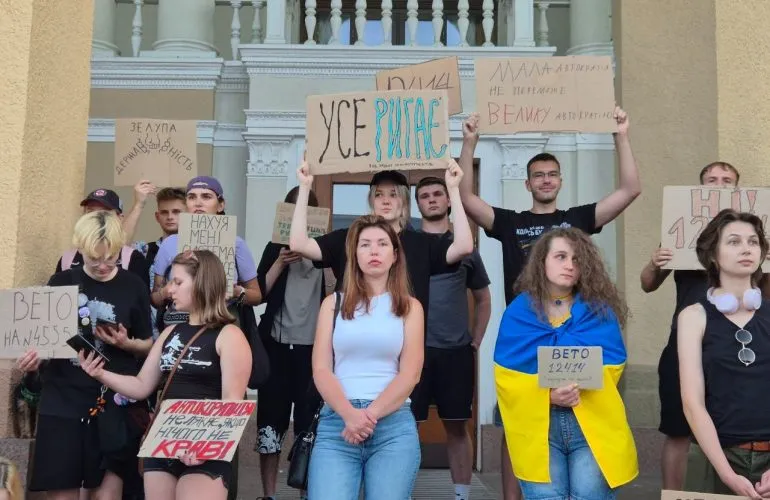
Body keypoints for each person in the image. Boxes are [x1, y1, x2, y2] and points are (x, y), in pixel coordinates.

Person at [458, 109, 641, 499]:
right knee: (519, 436)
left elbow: (629, 191)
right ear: (527, 183)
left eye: (552, 174)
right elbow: (467, 199)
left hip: (579, 357)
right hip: (526, 336)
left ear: (560, 181)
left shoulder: (576, 220)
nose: (545, 180)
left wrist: (621, 135)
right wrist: (469, 141)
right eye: (538, 175)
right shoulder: (509, 222)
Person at [78, 249, 253, 500]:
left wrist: (204, 447)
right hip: (163, 443)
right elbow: (141, 385)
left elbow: (232, 403)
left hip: (203, 448)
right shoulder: (170, 332)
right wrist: (100, 374)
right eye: (171, 281)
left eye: (178, 282)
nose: (169, 290)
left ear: (202, 283)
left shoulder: (230, 336)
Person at [18, 211, 153, 500]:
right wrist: (33, 361)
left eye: (111, 257)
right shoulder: (60, 281)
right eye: (94, 258)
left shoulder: (134, 285)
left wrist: (126, 343)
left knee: (106, 493)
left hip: (112, 400)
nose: (103, 266)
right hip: (63, 397)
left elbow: (148, 344)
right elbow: (44, 340)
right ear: (80, 248)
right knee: (61, 490)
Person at [494, 228, 638, 499]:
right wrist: (547, 395)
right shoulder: (519, 313)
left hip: (591, 424)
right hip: (539, 429)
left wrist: (579, 383)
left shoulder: (599, 311)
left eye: (577, 259)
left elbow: (615, 363)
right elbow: (506, 376)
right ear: (542, 262)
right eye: (560, 256)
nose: (570, 265)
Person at [639, 161, 748, 490]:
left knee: (735, 430)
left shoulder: (751, 236)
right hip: (684, 345)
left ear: (737, 190)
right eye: (711, 179)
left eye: (726, 180)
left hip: (736, 344)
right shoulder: (681, 227)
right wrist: (655, 262)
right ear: (699, 189)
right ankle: (674, 497)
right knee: (678, 430)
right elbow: (647, 283)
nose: (718, 184)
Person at [307, 215, 424, 499]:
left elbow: (410, 374)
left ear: (395, 256)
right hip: (338, 421)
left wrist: (367, 418)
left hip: (392, 425)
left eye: (383, 244)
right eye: (365, 244)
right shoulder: (332, 305)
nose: (374, 251)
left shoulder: (410, 307)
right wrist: (350, 415)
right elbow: (321, 369)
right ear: (354, 254)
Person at [289, 160, 474, 330]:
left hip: (406, 346)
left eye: (393, 194)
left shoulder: (422, 244)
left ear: (404, 202)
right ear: (371, 201)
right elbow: (299, 244)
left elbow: (464, 247)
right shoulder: (348, 237)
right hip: (352, 342)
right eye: (379, 195)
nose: (386, 200)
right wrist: (305, 187)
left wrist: (454, 190)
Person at [678, 209, 770, 498]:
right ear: (713, 255)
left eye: (753, 242)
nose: (746, 248)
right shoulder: (693, 316)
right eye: (733, 241)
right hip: (715, 459)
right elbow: (692, 403)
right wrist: (727, 474)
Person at [413, 176, 492, 500]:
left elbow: (484, 300)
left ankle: (461, 495)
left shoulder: (466, 248)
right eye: (424, 196)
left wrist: (474, 342)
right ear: (417, 205)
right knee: (405, 428)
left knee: (457, 426)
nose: (431, 199)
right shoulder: (409, 245)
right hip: (413, 354)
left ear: (448, 201)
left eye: (436, 194)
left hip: (456, 352)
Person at [255, 187, 326, 500]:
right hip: (277, 348)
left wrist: (318, 257)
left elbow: (338, 289)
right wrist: (280, 262)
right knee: (270, 425)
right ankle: (269, 494)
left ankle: (306, 492)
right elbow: (259, 292)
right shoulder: (275, 247)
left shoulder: (325, 250)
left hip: (313, 351)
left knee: (309, 427)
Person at [151, 176, 261, 313]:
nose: (198, 203)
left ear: (220, 205)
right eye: (191, 197)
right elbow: (155, 299)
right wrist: (166, 291)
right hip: (180, 324)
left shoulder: (236, 243)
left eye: (206, 197)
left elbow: (256, 296)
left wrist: (237, 292)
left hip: (221, 323)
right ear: (186, 205)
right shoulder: (169, 244)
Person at [56, 188, 149, 286]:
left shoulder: (133, 259)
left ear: (120, 218)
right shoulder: (67, 259)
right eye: (90, 212)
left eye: (105, 213)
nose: (97, 217)